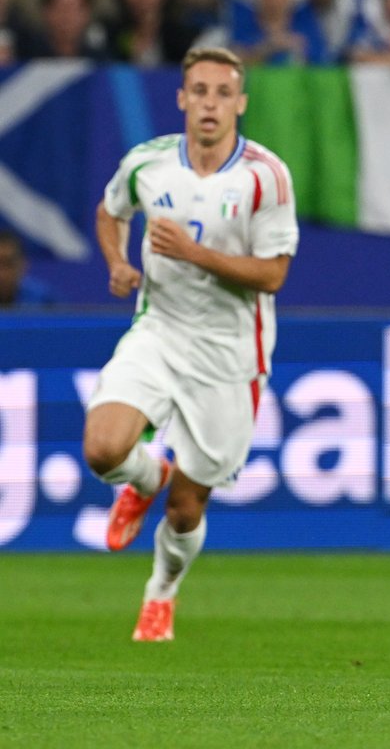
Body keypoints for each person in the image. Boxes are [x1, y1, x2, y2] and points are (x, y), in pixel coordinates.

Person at [82, 47, 299, 642]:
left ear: (240, 103)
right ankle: (147, 477)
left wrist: (194, 253)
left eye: (222, 93)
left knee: (187, 508)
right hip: (159, 330)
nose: (210, 103)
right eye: (199, 91)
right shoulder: (147, 163)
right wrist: (117, 262)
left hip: (231, 353)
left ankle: (161, 592)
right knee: (102, 449)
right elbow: (108, 211)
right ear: (181, 98)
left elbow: (274, 274)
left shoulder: (265, 176)